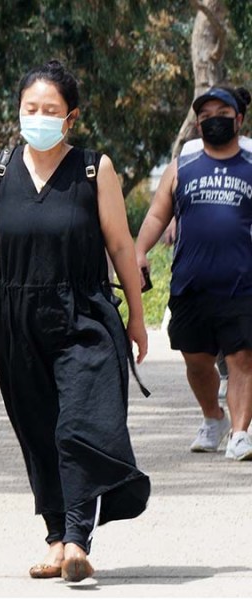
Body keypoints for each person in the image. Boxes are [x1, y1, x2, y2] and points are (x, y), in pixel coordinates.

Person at [0, 60, 150, 582]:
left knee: (78, 424)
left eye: (51, 110)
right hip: (17, 318)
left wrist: (137, 315)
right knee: (38, 429)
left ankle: (79, 538)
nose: (38, 117)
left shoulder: (93, 168)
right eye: (30, 109)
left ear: (71, 117)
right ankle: (57, 536)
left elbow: (121, 245)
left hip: (84, 311)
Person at [136, 85, 252, 461]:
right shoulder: (182, 166)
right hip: (191, 282)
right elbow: (157, 215)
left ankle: (239, 433)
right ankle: (213, 417)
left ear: (239, 119)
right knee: (196, 360)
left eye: (221, 113)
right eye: (205, 116)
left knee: (242, 358)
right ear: (198, 124)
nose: (212, 119)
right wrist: (139, 251)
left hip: (242, 283)